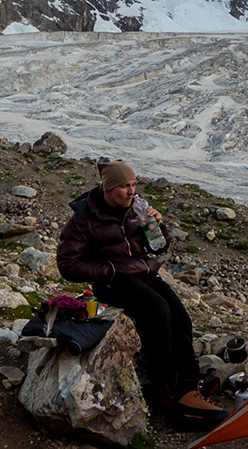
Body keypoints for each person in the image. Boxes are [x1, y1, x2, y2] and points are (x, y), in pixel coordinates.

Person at [56, 161, 227, 430]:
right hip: (113, 281)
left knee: (180, 316)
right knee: (158, 311)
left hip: (143, 272)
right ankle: (167, 388)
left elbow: (158, 248)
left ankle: (190, 384)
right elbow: (67, 264)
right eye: (125, 186)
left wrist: (158, 227)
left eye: (133, 184)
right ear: (109, 187)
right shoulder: (84, 217)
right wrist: (108, 269)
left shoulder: (135, 209)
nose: (131, 191)